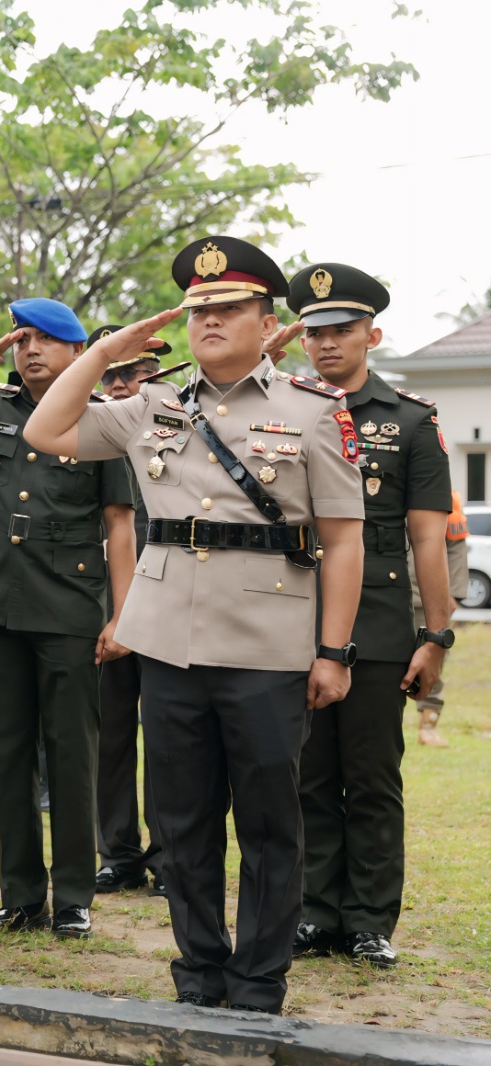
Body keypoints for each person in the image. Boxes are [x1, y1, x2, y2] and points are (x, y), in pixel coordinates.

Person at [24, 235, 365, 1014]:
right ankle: (200, 972)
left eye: (230, 307)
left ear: (264, 317)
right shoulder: (151, 404)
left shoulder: (312, 411)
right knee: (180, 826)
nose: (210, 320)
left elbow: (343, 541)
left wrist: (333, 651)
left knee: (271, 825)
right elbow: (47, 431)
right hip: (168, 643)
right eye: (199, 309)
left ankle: (258, 980)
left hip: (267, 647)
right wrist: (103, 350)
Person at [0, 300, 137, 941]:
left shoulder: (102, 422)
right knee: (8, 755)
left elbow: (119, 524)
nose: (32, 350)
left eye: (49, 340)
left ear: (79, 353)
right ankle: (20, 894)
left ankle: (73, 896)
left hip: (70, 610)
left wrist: (122, 616)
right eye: (24, 340)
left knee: (72, 755)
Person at [285, 262, 453, 970]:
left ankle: (369, 920)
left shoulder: (410, 421)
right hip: (293, 613)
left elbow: (426, 537)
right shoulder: (281, 410)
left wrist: (436, 636)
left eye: (342, 331)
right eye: (315, 332)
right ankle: (317, 912)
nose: (326, 344)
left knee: (373, 776)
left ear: (371, 335)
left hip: (380, 622)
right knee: (308, 774)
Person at [90, 331, 181, 897]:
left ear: (157, 370)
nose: (121, 384)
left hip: (173, 589)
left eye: (135, 371)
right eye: (111, 376)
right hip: (102, 597)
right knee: (110, 733)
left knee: (171, 734)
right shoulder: (91, 426)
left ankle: (170, 857)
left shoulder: (182, 419)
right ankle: (117, 853)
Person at [411, 490, 469, 746]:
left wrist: (453, 592)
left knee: (433, 661)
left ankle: (428, 725)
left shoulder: (445, 494)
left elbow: (456, 546)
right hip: (386, 592)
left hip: (430, 596)